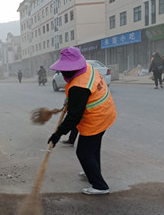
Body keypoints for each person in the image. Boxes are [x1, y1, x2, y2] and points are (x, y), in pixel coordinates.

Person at [47, 47, 117, 195]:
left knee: (84, 152)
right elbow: (80, 98)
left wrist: (58, 134)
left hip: (96, 118)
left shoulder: (78, 86)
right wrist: (69, 99)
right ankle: (91, 171)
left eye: (65, 70)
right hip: (106, 112)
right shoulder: (88, 68)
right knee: (92, 148)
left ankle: (99, 186)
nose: (64, 72)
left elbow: (73, 116)